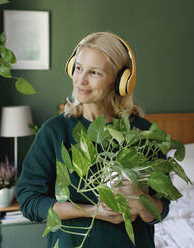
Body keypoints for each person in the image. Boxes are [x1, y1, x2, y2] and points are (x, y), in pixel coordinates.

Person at [16, 32, 170, 248]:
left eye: (95, 73)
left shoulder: (142, 133)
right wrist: (92, 212)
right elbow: (29, 201)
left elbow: (160, 210)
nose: (81, 80)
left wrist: (140, 198)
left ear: (119, 81)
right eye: (78, 68)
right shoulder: (54, 131)